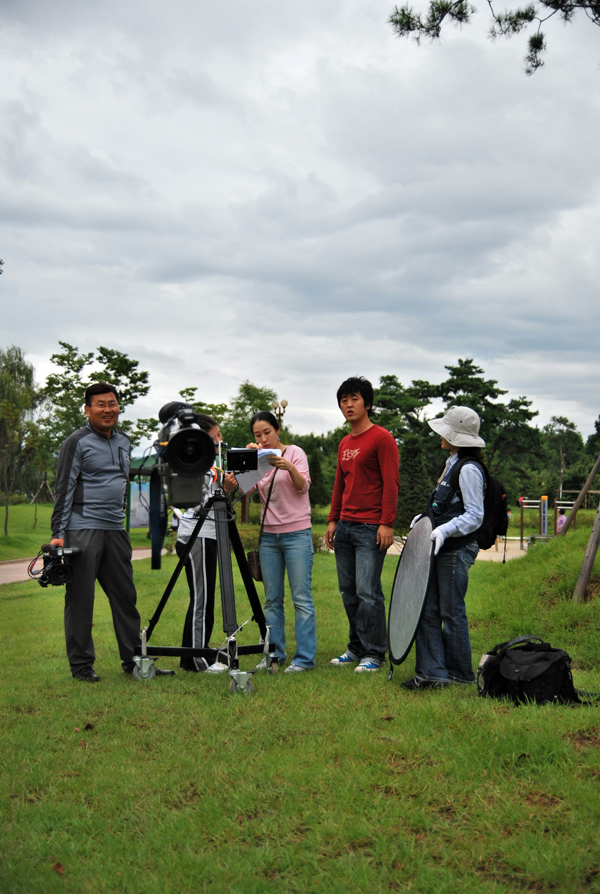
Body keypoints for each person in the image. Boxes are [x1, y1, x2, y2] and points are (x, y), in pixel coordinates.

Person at [50, 382, 171, 682]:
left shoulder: (125, 441)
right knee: (81, 599)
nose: (108, 409)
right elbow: (64, 488)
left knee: (125, 596)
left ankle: (134, 662)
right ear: (87, 408)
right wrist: (58, 533)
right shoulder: (75, 442)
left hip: (116, 529)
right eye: (101, 404)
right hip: (83, 528)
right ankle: (81, 667)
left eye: (113, 403)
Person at [402, 406, 485, 691]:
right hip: (440, 548)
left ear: (457, 437)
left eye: (445, 431)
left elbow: (475, 515)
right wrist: (424, 521)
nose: (440, 435)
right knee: (427, 608)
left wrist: (444, 530)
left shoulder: (470, 469)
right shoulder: (452, 462)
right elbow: (446, 504)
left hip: (456, 549)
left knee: (451, 612)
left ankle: (461, 675)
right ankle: (432, 674)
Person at [326, 376, 400, 673]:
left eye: (354, 399)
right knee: (348, 591)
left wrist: (386, 523)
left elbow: (391, 483)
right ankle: (355, 647)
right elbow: (339, 485)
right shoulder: (345, 442)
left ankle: (374, 653)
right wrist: (332, 520)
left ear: (367, 403)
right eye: (344, 400)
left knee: (368, 592)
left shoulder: (382, 438)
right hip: (345, 526)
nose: (348, 405)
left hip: (371, 527)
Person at [243, 411, 316, 673]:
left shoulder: (295, 452)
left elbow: (303, 486)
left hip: (297, 534)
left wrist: (289, 467)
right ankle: (274, 654)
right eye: (257, 435)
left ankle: (305, 659)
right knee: (272, 599)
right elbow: (242, 488)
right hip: (268, 537)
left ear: (278, 430)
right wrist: (248, 461)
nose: (263, 439)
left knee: (301, 598)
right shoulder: (258, 458)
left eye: (267, 433)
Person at [175, 414, 235, 672]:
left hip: (208, 534)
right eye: (217, 435)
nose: (220, 440)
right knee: (202, 598)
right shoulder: (193, 462)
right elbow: (189, 500)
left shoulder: (210, 465)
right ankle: (199, 659)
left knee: (204, 597)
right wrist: (220, 485)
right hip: (196, 534)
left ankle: (193, 657)